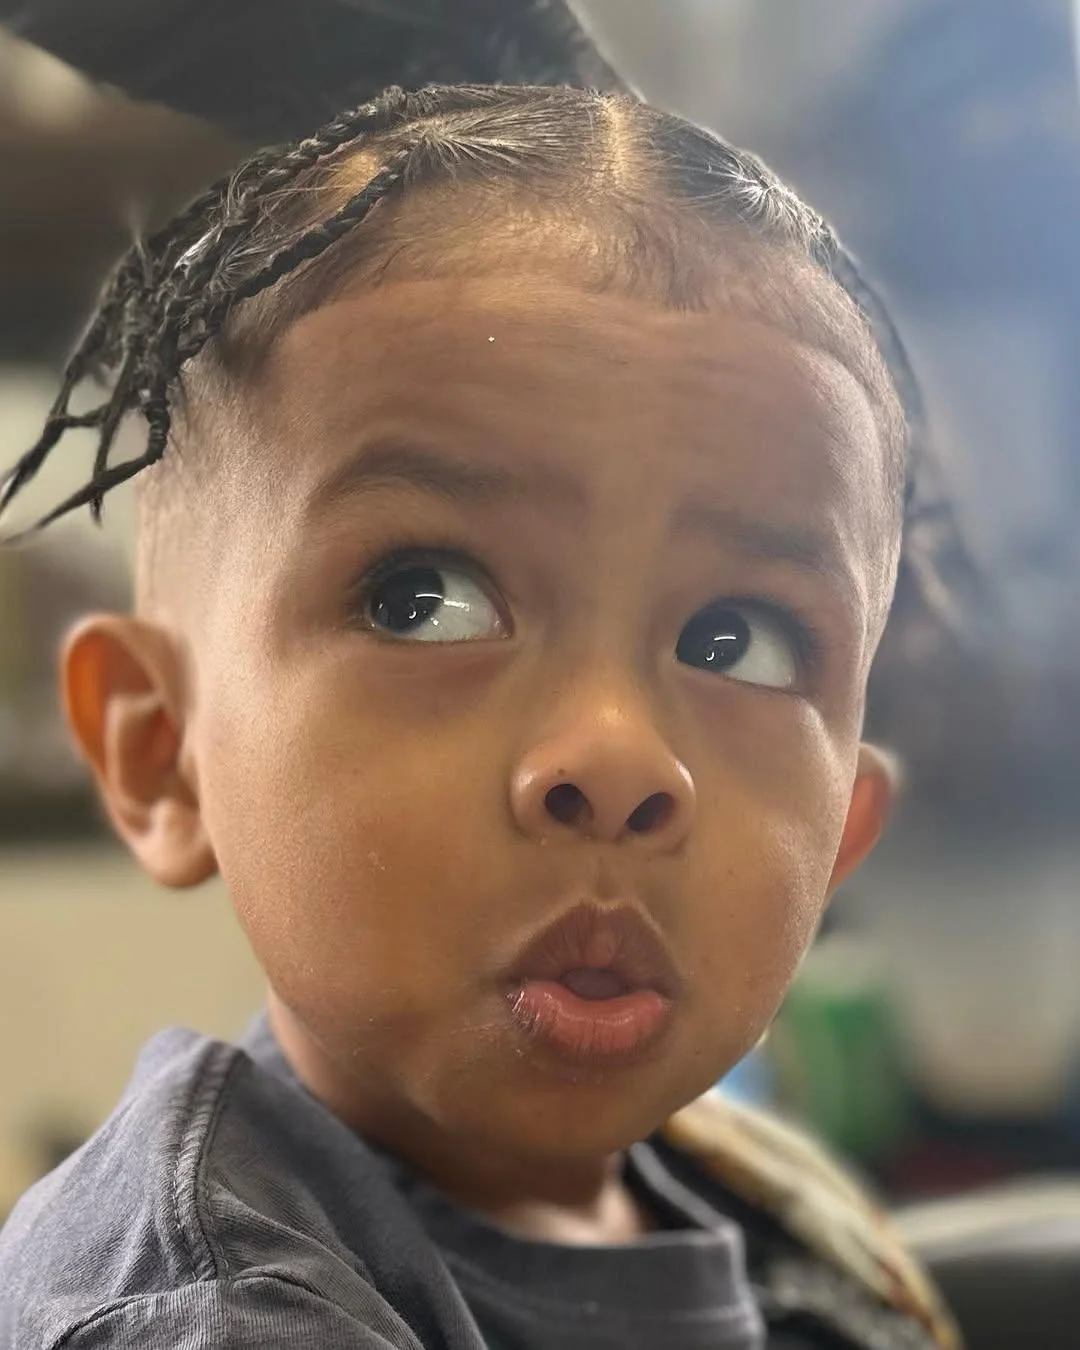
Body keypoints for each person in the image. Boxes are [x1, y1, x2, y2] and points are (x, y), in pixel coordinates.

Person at [0, 84, 960, 1350]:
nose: (621, 757)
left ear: (840, 834)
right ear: (161, 746)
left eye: (743, 640)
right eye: (425, 599)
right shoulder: (222, 1313)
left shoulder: (776, 1217)